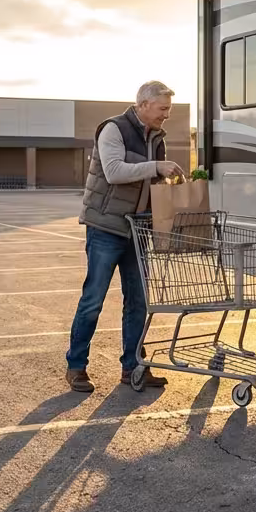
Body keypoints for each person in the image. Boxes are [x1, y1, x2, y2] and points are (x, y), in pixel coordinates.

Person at [64, 80, 183, 393]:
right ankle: (77, 366)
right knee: (93, 299)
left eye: (168, 109)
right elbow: (115, 171)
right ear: (143, 105)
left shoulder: (158, 137)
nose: (166, 115)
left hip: (137, 229)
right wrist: (156, 166)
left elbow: (153, 183)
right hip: (106, 227)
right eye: (162, 109)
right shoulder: (113, 129)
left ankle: (133, 368)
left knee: (138, 302)